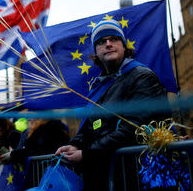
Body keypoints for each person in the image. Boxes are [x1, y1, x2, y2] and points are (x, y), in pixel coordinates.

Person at [55, 19, 168, 191]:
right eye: (101, 42)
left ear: (124, 47)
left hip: (137, 176)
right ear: (96, 52)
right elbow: (92, 127)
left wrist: (87, 154)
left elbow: (135, 128)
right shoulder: (99, 86)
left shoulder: (141, 76)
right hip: (109, 176)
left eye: (114, 39)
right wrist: (75, 144)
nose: (108, 44)